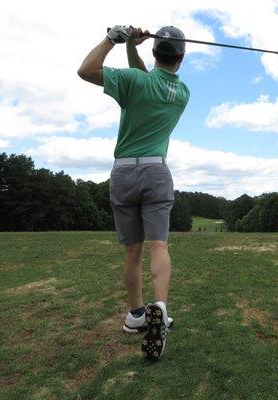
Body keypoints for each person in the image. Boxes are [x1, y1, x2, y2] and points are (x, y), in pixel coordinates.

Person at [77, 25, 190, 361]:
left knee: (132, 252)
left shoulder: (135, 82)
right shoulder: (181, 92)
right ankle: (160, 309)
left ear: (155, 52)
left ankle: (136, 315)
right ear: (180, 58)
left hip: (124, 172)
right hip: (156, 172)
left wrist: (115, 40)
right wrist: (132, 48)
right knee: (159, 245)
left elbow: (86, 70)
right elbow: (149, 80)